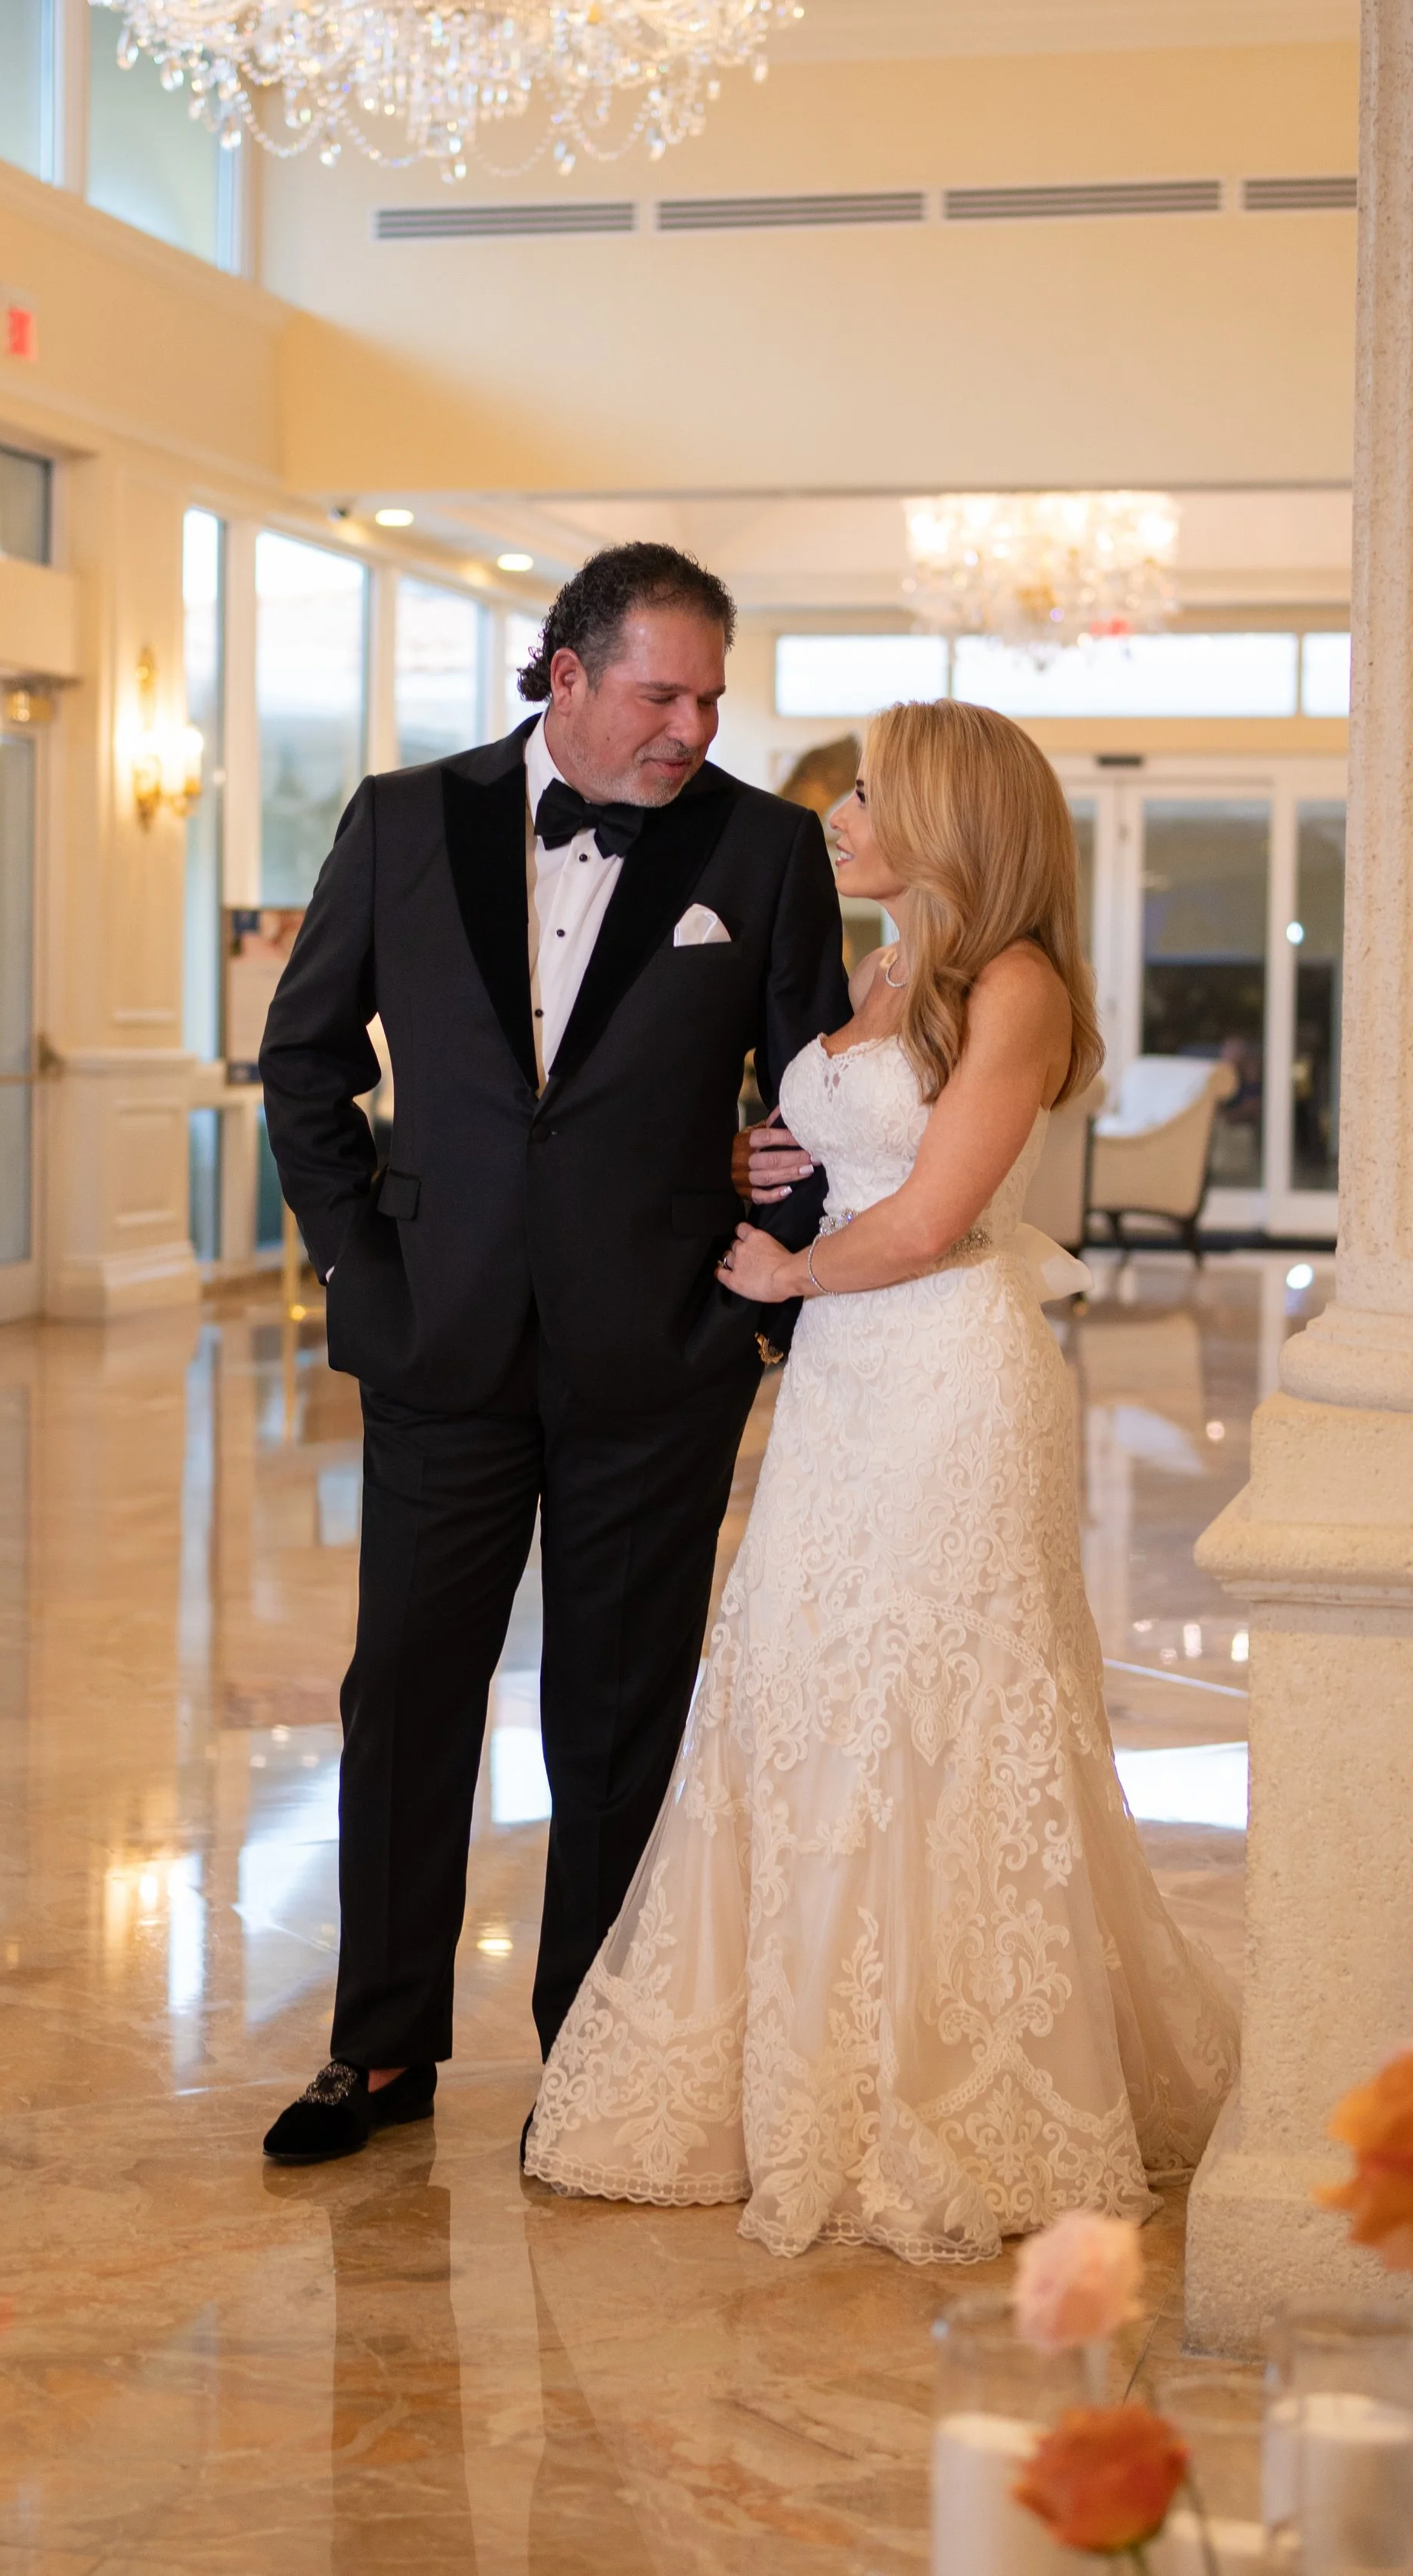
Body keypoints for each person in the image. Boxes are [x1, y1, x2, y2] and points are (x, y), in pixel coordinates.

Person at [523, 699, 1239, 2260]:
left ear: (949, 816)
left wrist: (781, 1277)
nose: (834, 815)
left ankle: (944, 2076)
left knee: (938, 1703)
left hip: (943, 1373)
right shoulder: (886, 969)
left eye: (865, 793)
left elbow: (928, 1221)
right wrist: (754, 1173)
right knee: (802, 1681)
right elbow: (836, 1153)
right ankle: (800, 2052)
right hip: (852, 1377)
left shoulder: (1018, 988)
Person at [256, 541, 850, 2166]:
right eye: (661, 692)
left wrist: (758, 1274)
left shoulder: (765, 845)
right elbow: (301, 1066)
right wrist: (358, 1281)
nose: (689, 726)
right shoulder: (399, 820)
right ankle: (375, 2051)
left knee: (616, 1713)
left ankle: (595, 2056)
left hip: (655, 1356)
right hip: (434, 1343)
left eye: (712, 695)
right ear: (567, 674)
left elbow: (819, 1102)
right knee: (407, 1694)